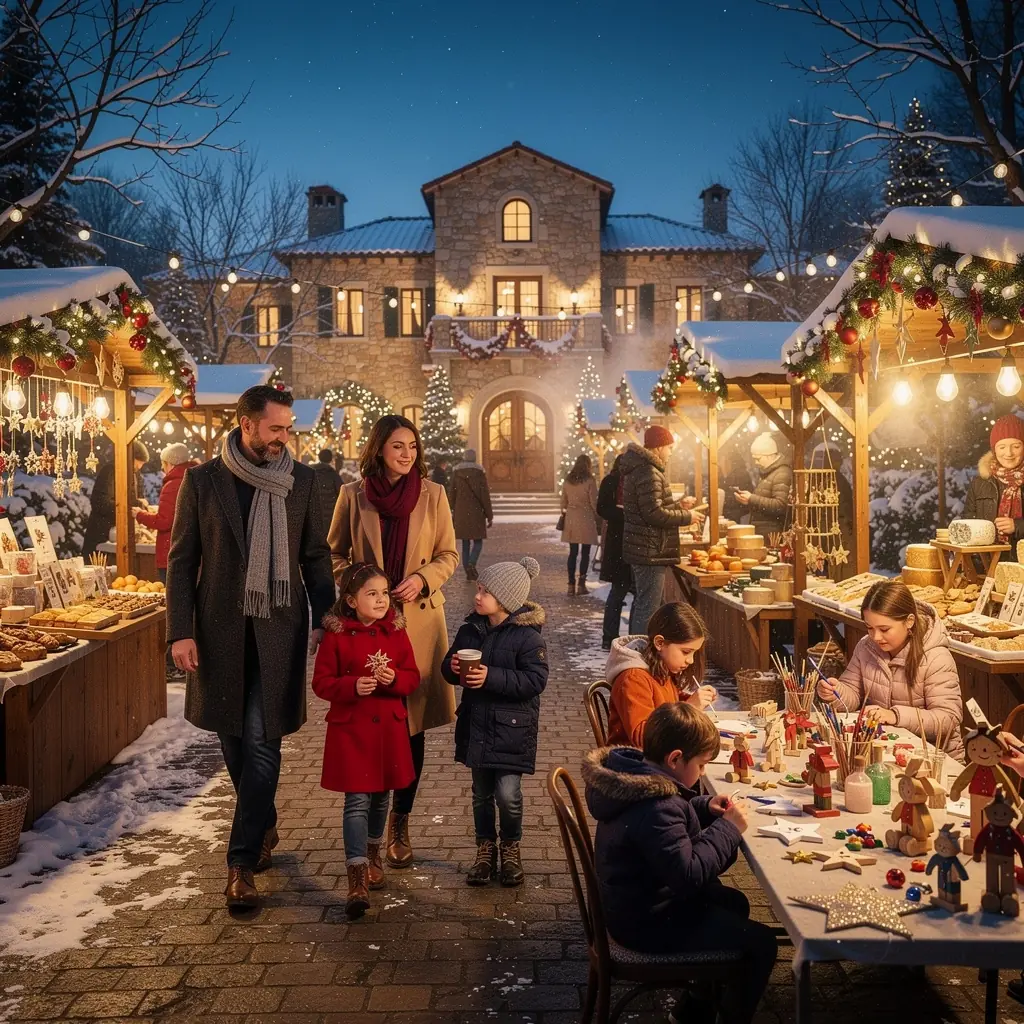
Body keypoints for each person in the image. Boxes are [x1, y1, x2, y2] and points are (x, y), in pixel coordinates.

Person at [166, 385, 335, 909]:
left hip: (277, 630)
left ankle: (240, 865)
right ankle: (264, 824)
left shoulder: (303, 483)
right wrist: (180, 629)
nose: (285, 438)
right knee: (234, 743)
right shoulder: (203, 481)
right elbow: (181, 560)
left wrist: (327, 617)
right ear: (247, 425)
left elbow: (314, 558)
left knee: (263, 742)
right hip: (218, 633)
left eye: (289, 428)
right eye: (276, 428)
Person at [583, 702, 778, 1024]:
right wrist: (728, 828)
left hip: (633, 903)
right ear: (675, 758)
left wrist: (704, 806)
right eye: (701, 765)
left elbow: (671, 812)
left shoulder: (633, 779)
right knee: (762, 944)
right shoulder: (656, 806)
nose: (702, 774)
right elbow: (688, 875)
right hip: (647, 923)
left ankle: (694, 1010)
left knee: (734, 902)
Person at [329, 414, 458, 870]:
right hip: (369, 629)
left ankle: (399, 821)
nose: (407, 454)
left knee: (411, 724)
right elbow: (336, 553)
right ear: (379, 448)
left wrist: (423, 578)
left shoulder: (434, 494)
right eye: (398, 446)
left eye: (413, 446)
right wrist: (362, 584)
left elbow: (449, 554)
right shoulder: (352, 495)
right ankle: (366, 834)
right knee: (373, 722)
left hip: (418, 624)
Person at [311, 562, 421, 919]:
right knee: (357, 801)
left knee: (381, 798)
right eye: (371, 594)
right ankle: (356, 874)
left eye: (384, 593)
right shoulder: (338, 635)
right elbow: (321, 683)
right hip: (353, 731)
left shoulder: (396, 632)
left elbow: (412, 677)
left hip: (388, 729)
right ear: (351, 601)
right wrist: (350, 686)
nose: (380, 600)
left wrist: (394, 679)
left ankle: (374, 854)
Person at [442, 557, 548, 888]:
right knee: (480, 793)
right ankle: (485, 848)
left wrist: (491, 677)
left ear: (505, 599)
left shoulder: (528, 637)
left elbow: (534, 681)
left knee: (508, 793)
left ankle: (511, 845)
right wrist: (454, 667)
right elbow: (448, 668)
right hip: (477, 726)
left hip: (511, 729)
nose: (478, 596)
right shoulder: (470, 630)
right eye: (478, 589)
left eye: (485, 591)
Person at [816, 579, 964, 761]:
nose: (876, 637)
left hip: (934, 759)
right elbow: (852, 694)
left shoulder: (936, 658)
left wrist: (895, 715)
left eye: (884, 629)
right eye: (869, 627)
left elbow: (947, 719)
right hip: (888, 753)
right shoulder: (866, 647)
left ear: (909, 621)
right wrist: (835, 692)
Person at [621, 425, 704, 634]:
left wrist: (679, 506)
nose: (671, 453)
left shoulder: (642, 469)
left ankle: (635, 648)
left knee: (643, 603)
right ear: (658, 448)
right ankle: (640, 652)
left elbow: (651, 508)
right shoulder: (649, 471)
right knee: (648, 607)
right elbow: (653, 514)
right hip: (650, 549)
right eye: (669, 447)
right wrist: (688, 517)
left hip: (645, 547)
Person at [606, 602, 717, 747]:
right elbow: (643, 739)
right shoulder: (633, 678)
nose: (690, 660)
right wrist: (690, 708)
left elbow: (668, 703)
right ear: (660, 643)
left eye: (694, 653)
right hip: (633, 763)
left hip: (659, 758)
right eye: (686, 652)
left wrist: (694, 699)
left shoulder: (661, 668)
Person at [134, 442, 197, 682]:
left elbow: (164, 521)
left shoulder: (173, 484)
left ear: (169, 462)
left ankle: (174, 664)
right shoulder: (193, 477)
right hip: (187, 552)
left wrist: (138, 514)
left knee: (174, 606)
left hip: (171, 551)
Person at [963, 413, 1024, 557]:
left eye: (1016, 446)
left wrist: (1018, 526)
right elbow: (968, 524)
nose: (1008, 453)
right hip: (987, 565)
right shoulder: (980, 483)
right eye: (1002, 447)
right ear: (994, 449)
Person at [82, 440, 150, 556]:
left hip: (122, 534)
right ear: (130, 457)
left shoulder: (136, 475)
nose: (139, 466)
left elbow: (137, 499)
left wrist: (142, 507)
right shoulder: (110, 471)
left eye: (142, 464)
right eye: (138, 462)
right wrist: (132, 506)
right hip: (102, 533)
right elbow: (100, 503)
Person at [597, 454, 632, 650]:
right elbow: (602, 508)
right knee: (618, 592)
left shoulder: (633, 481)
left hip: (634, 544)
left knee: (632, 595)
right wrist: (624, 514)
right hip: (618, 543)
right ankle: (609, 636)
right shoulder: (610, 481)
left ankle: (631, 636)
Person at [734, 433, 792, 540]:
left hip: (773, 535)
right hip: (767, 532)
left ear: (769, 455)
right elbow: (765, 503)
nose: (756, 463)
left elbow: (780, 505)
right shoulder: (769, 473)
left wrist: (752, 498)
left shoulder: (782, 474)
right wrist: (748, 501)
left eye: (758, 459)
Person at [450, 449, 492, 581]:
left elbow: (452, 493)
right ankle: (472, 564)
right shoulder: (479, 473)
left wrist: (451, 509)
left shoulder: (456, 473)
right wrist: (489, 514)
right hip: (476, 512)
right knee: (478, 542)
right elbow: (484, 495)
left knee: (465, 543)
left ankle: (468, 569)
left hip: (461, 512)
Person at [560, 454, 600, 595]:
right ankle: (581, 584)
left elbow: (563, 502)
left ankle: (571, 584)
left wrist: (567, 511)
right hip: (586, 518)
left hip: (571, 518)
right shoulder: (589, 481)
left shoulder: (568, 481)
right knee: (585, 553)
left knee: (573, 552)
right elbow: (594, 502)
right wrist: (598, 516)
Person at [312, 448, 342, 535]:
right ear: (330, 459)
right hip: (331, 516)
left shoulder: (311, 472)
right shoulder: (333, 474)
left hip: (314, 514)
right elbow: (341, 493)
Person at [720, 448, 753, 524]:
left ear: (729, 461)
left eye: (722, 461)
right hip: (739, 514)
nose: (720, 464)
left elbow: (735, 497)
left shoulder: (738, 475)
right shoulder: (739, 473)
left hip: (737, 516)